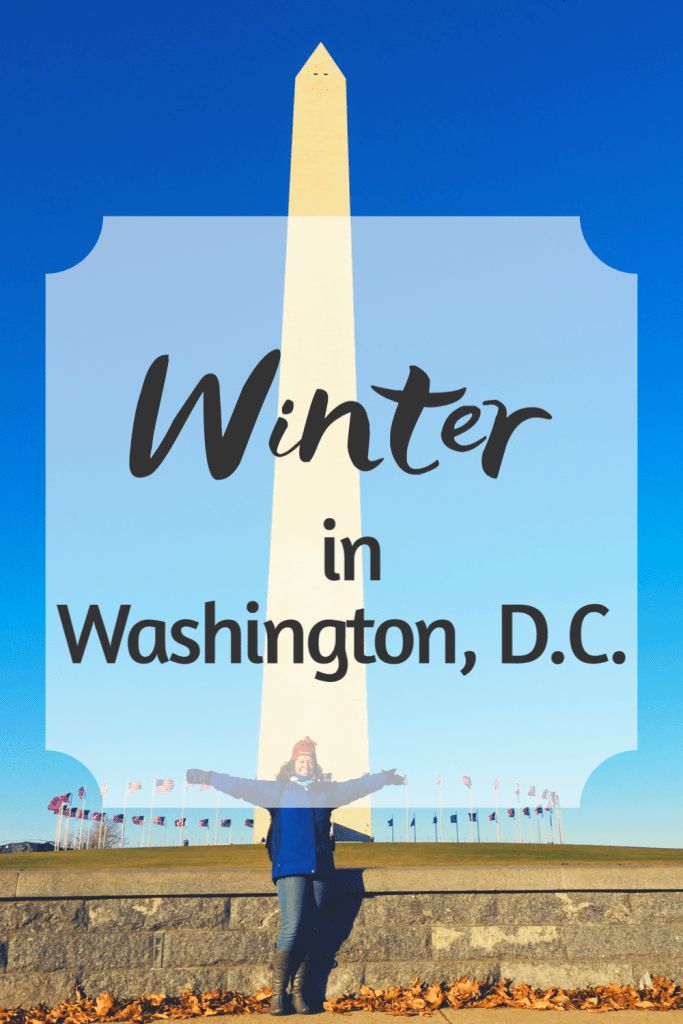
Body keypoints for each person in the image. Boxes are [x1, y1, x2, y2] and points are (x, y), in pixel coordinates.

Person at [186, 737, 405, 1014]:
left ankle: (299, 992)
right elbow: (240, 786)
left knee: (313, 932)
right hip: (290, 866)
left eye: (310, 760)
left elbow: (356, 787)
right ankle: (278, 994)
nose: (306, 763)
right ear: (292, 764)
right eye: (301, 760)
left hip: (322, 869)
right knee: (291, 929)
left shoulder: (325, 792)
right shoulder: (276, 792)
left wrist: (383, 778)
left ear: (315, 765)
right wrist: (209, 777)